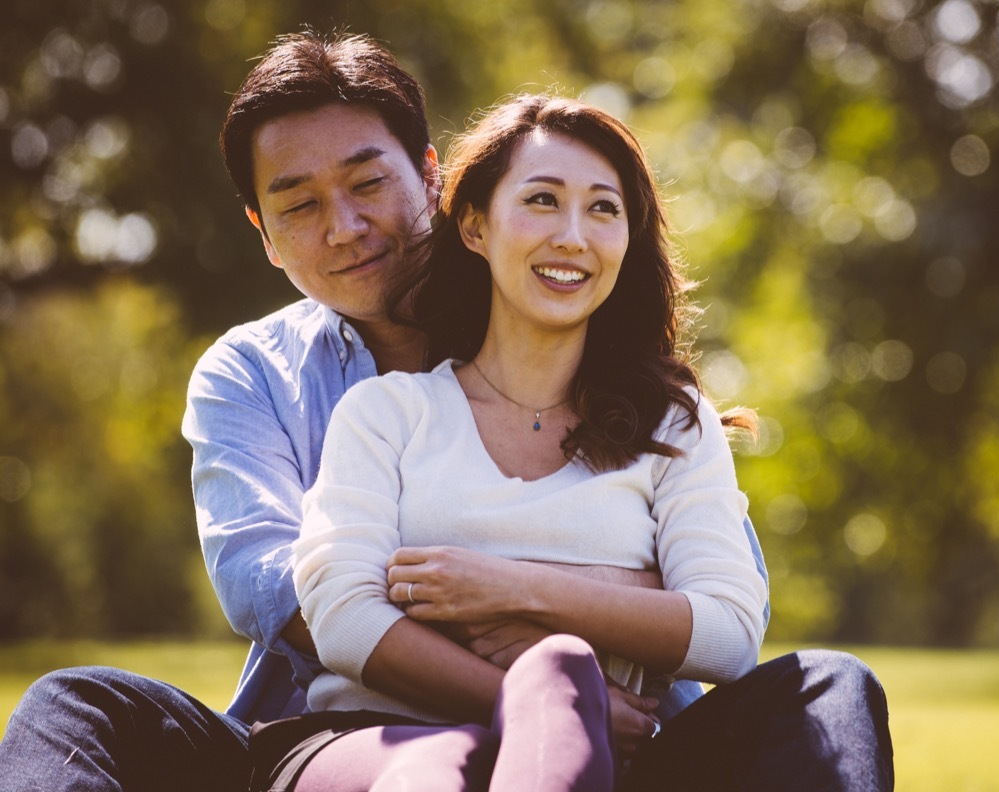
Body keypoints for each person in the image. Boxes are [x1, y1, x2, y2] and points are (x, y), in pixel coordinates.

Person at [0, 30, 892, 792]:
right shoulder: (254, 376)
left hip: (635, 730)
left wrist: (516, 597)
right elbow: (283, 594)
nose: (345, 226)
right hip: (354, 734)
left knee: (829, 691)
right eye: (299, 205)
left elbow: (731, 612)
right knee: (76, 707)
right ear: (261, 234)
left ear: (432, 179)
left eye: (367, 182)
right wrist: (585, 616)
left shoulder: (594, 356)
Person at [252, 92, 770, 790]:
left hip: (602, 755)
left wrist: (507, 588)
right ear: (473, 226)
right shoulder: (387, 412)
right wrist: (591, 635)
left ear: (627, 239)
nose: (573, 237)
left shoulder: (674, 425)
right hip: (382, 740)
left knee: (834, 685)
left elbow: (730, 635)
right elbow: (343, 618)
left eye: (603, 209)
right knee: (530, 696)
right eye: (543, 200)